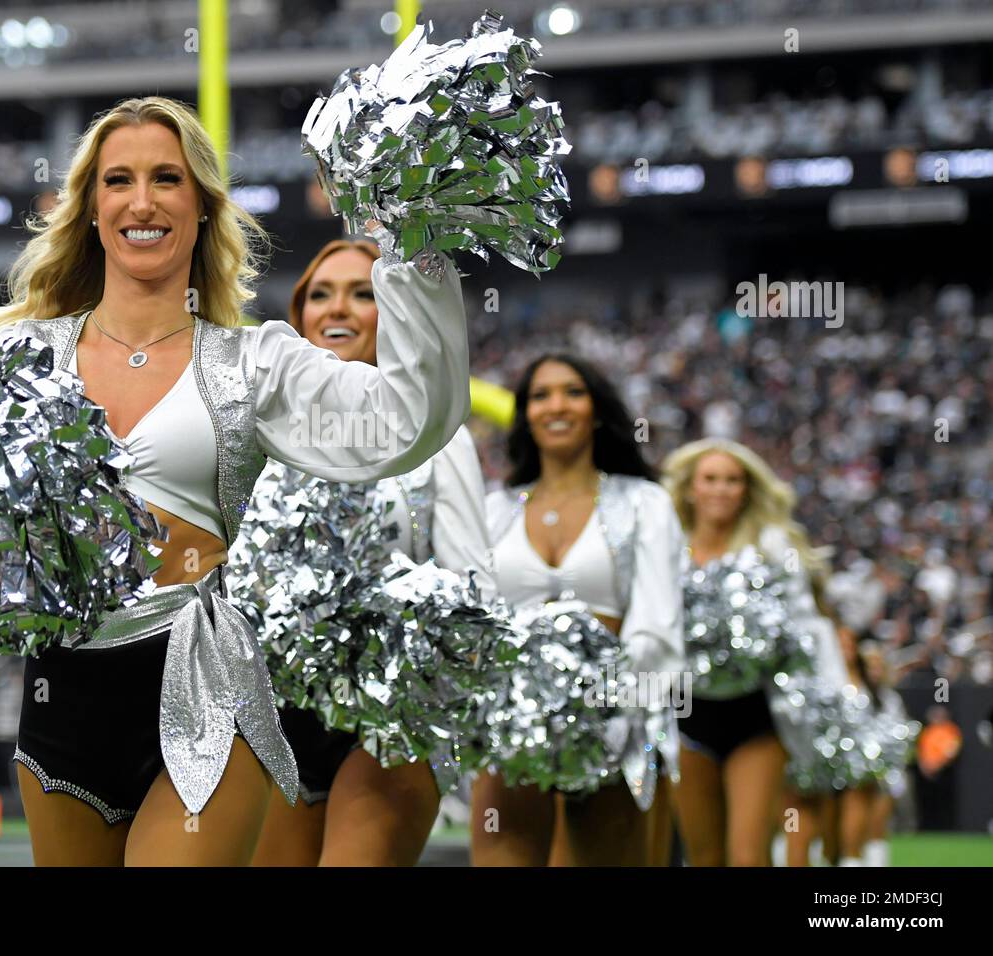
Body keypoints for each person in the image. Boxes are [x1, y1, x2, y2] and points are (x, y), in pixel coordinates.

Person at [0, 96, 469, 866]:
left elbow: (406, 422)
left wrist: (414, 245)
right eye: (119, 181)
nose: (143, 201)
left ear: (201, 207)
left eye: (167, 178)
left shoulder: (255, 361)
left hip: (203, 685)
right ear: (91, 208)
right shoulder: (19, 357)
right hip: (61, 698)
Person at [243, 238, 492, 866]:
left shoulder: (437, 435)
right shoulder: (254, 432)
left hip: (393, 721)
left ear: (394, 309)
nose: (339, 309)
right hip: (275, 720)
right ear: (296, 317)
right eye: (320, 294)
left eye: (363, 292)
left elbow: (472, 587)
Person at [472, 353, 685, 866]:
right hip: (511, 722)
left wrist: (612, 709)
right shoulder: (494, 509)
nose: (555, 406)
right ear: (524, 416)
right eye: (540, 396)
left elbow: (656, 623)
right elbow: (474, 615)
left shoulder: (644, 502)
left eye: (572, 391)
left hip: (613, 721)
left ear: (596, 410)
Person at [662, 437, 830, 866]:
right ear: (689, 488)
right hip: (684, 716)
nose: (721, 489)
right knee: (703, 857)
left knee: (748, 855)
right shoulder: (664, 547)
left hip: (756, 716)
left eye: (732, 480)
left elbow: (805, 624)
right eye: (711, 479)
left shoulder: (772, 547)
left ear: (747, 489)